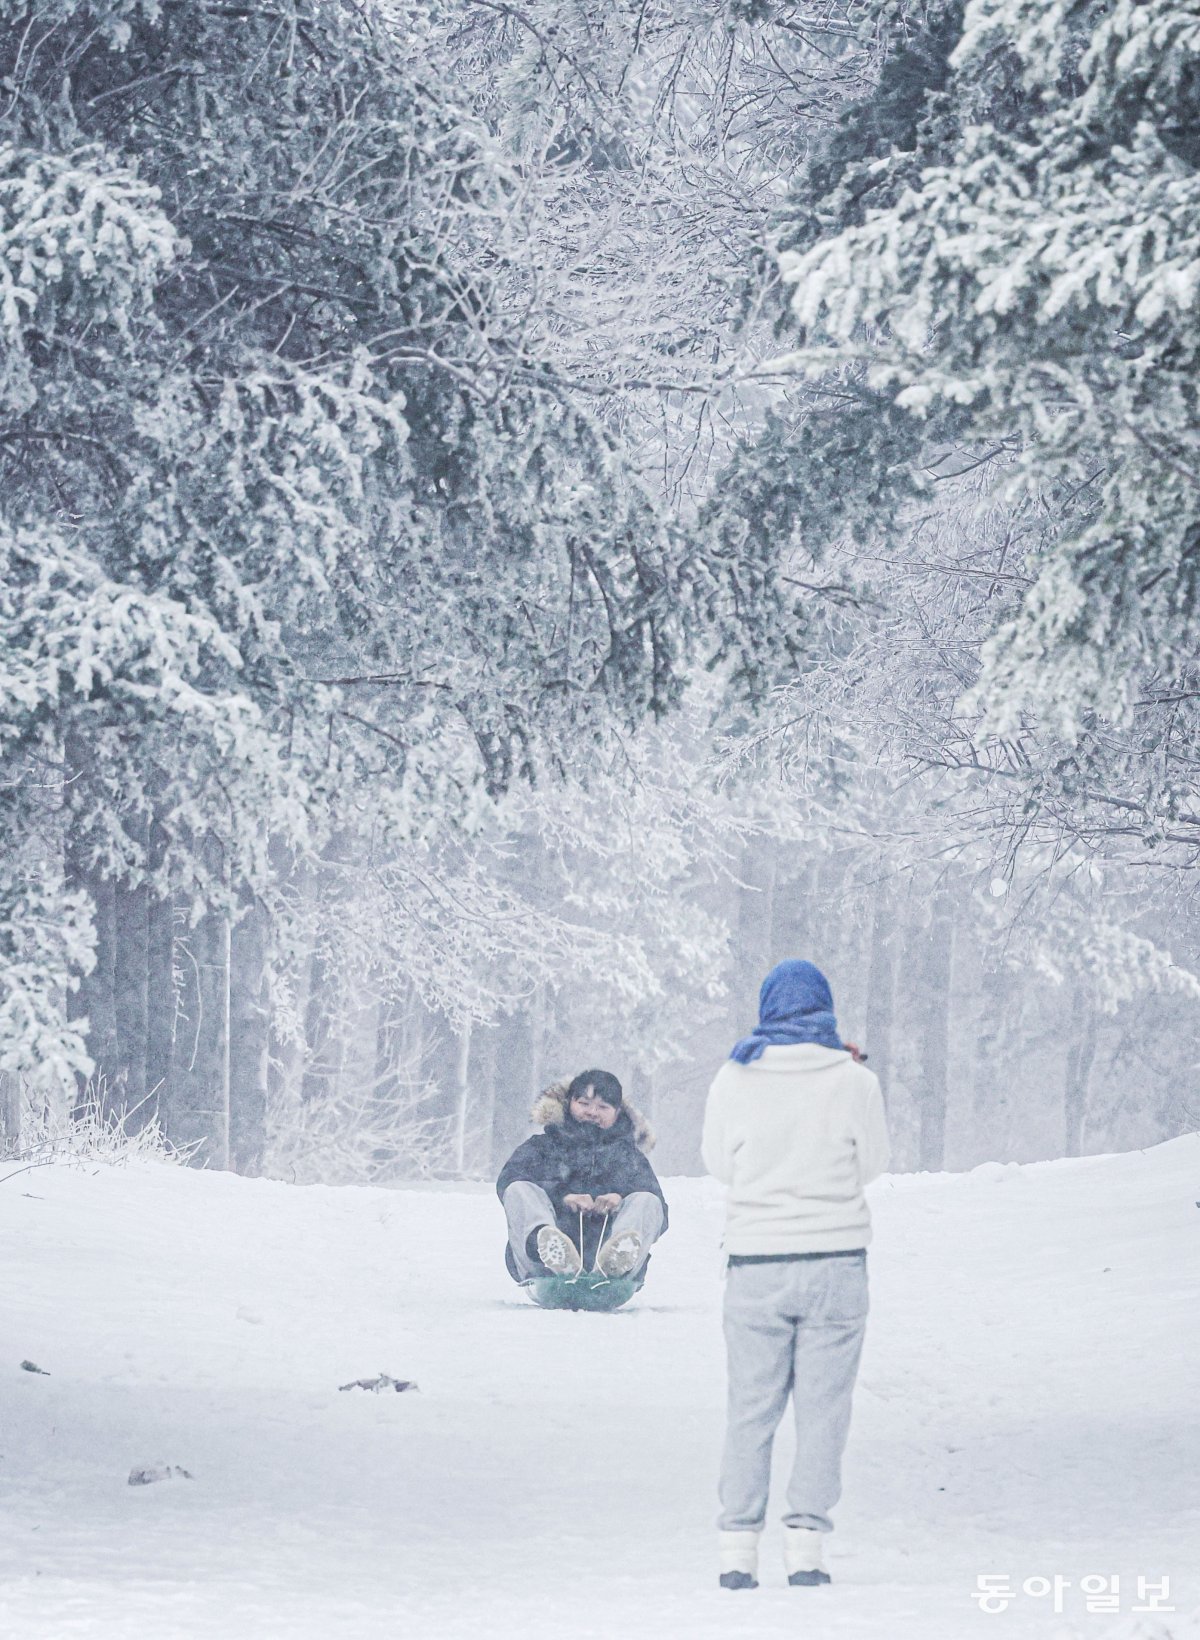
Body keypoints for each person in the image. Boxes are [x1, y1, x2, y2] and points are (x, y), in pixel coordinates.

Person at [701, 959, 890, 1592]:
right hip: (837, 1261)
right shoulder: (853, 1078)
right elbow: (874, 1165)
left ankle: (737, 1551)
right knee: (824, 1411)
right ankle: (806, 1549)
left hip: (756, 1263)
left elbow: (718, 1165)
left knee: (750, 1411)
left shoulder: (735, 1075)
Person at [496, 1069, 668, 1285]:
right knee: (518, 1188)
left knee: (648, 1201)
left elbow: (659, 1214)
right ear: (569, 1103)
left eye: (603, 1107)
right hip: (541, 1267)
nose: (592, 1112)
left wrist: (620, 1199)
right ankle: (553, 1252)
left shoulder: (630, 1158)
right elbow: (508, 1182)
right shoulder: (541, 1147)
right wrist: (561, 1197)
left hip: (609, 1264)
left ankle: (615, 1262)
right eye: (584, 1104)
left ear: (617, 1113)